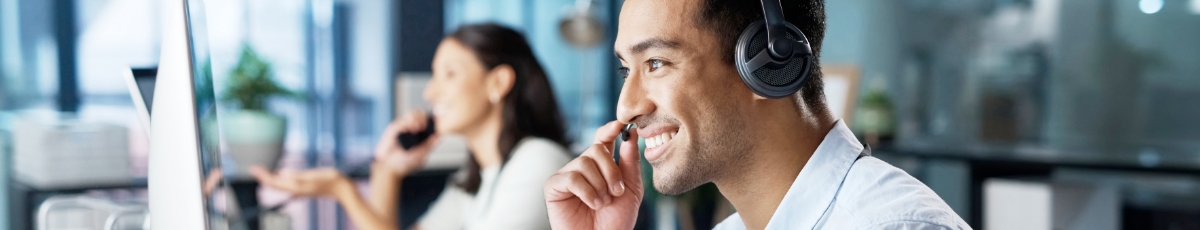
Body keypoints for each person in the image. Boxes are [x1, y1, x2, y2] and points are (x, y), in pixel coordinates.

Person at [543, 0, 971, 229]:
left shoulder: (889, 227)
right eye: (625, 70)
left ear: (768, 64)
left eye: (655, 63)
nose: (626, 107)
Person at [250, 23, 573, 230]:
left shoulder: (538, 162)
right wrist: (387, 171)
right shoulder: (473, 180)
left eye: (449, 73)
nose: (431, 92)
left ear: (498, 82)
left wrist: (342, 189)